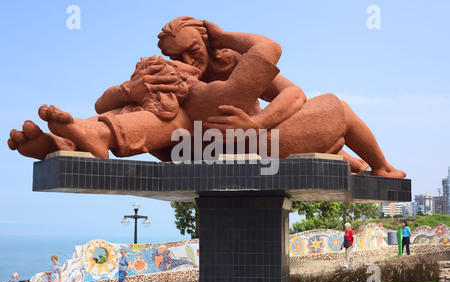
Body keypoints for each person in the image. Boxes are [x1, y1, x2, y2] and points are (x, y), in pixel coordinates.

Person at [8, 17, 406, 180]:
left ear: (206, 40)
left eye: (188, 51)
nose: (182, 61)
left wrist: (259, 123)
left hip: (257, 137)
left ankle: (381, 167)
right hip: (206, 144)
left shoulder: (232, 63)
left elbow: (296, 95)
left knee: (335, 107)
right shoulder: (184, 80)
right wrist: (134, 88)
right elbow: (109, 102)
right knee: (161, 106)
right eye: (174, 56)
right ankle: (70, 141)